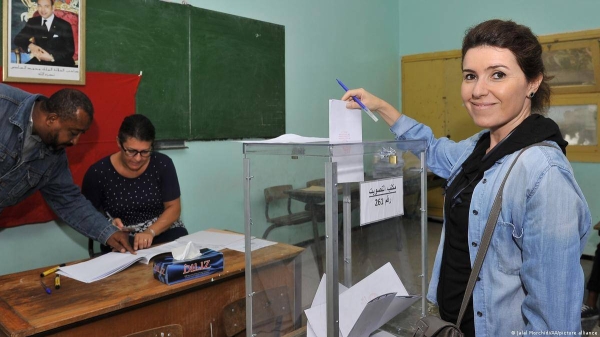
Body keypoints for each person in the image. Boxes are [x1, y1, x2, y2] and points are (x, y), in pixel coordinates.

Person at [342, 19, 591, 336]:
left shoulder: (544, 174)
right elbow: (430, 147)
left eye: (497, 75)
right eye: (470, 76)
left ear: (532, 83)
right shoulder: (477, 147)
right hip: (453, 321)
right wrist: (380, 106)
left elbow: (555, 320)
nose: (477, 90)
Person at [0, 83, 134, 253]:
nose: (75, 142)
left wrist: (109, 233)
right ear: (52, 119)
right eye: (73, 132)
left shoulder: (54, 157)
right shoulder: (3, 104)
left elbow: (68, 201)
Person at [82, 114, 188, 253]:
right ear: (119, 143)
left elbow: (174, 208)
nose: (138, 158)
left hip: (162, 231)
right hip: (121, 238)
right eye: (131, 151)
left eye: (145, 152)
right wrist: (108, 226)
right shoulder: (98, 173)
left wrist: (150, 232)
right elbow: (87, 215)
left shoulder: (162, 164)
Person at [13, 0, 76, 67]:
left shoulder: (64, 25)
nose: (43, 10)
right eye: (40, 6)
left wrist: (51, 58)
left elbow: (70, 50)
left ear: (53, 8)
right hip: (39, 61)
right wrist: (31, 46)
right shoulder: (33, 22)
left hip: (61, 62)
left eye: (46, 6)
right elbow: (18, 39)